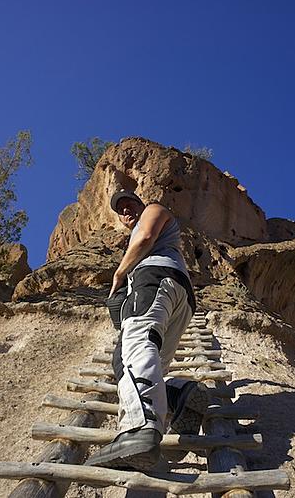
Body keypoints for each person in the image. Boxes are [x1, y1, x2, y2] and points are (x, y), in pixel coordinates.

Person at [87, 190, 208, 470]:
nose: (126, 211)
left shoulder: (154, 209)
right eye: (121, 210)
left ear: (142, 204)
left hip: (154, 279)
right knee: (139, 360)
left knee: (135, 346)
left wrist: (119, 275)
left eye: (130, 205)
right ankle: (180, 394)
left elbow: (144, 237)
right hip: (180, 294)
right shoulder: (163, 244)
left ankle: (138, 429)